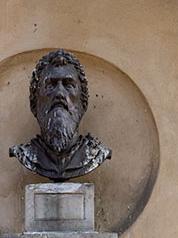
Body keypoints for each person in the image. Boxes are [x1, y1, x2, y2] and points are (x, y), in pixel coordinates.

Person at [9, 49, 111, 182]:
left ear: (83, 102)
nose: (59, 93)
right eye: (50, 85)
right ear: (34, 103)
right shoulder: (25, 154)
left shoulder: (96, 154)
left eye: (68, 84)